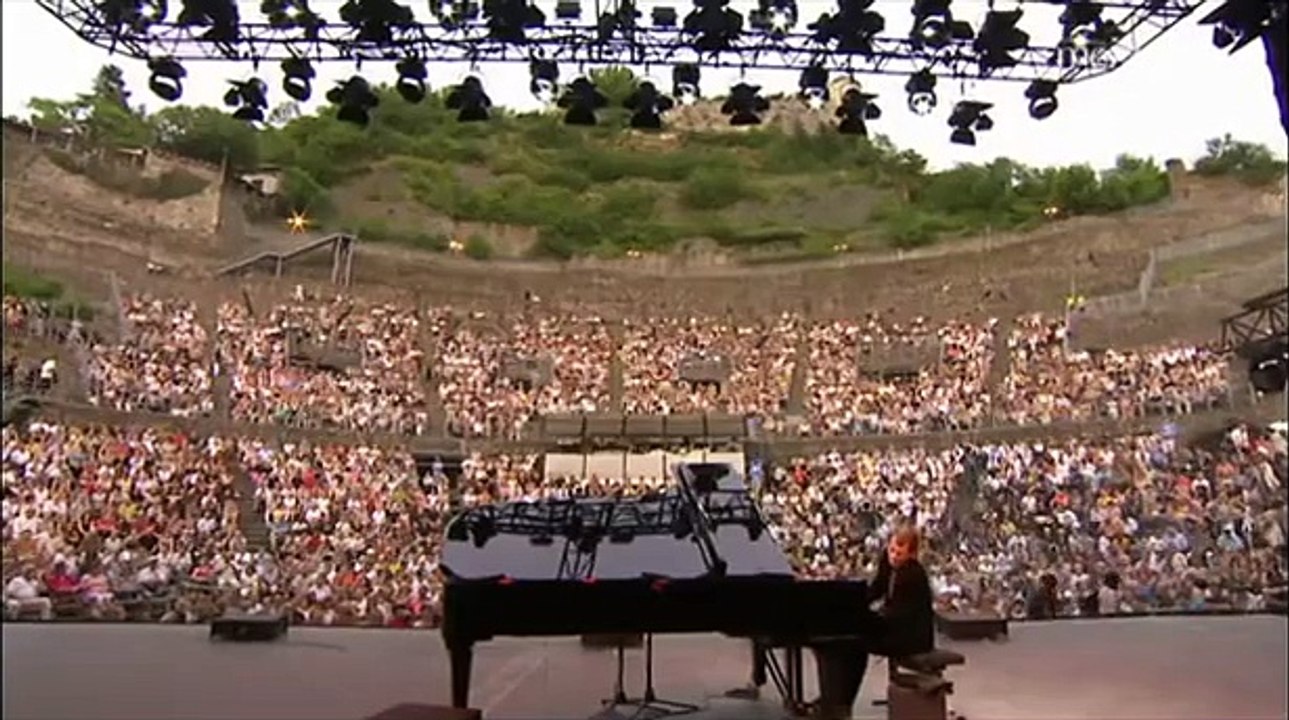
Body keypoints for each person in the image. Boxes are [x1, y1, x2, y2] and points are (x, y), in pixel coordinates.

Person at [810, 525, 935, 720]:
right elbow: (876, 589)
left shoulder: (912, 574)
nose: (894, 556)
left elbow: (898, 614)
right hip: (892, 625)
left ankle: (840, 703)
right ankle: (836, 701)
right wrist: (853, 606)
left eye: (900, 553)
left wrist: (865, 618)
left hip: (910, 636)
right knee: (852, 642)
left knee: (856, 644)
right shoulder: (888, 563)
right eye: (892, 550)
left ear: (912, 554)